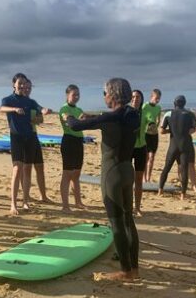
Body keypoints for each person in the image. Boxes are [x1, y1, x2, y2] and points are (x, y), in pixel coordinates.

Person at [66, 78, 140, 281]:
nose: (103, 96)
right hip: (127, 170)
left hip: (112, 174)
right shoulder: (133, 114)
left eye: (104, 93)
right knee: (128, 221)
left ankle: (125, 272)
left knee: (116, 222)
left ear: (113, 95)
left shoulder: (110, 118)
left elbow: (75, 125)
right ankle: (134, 268)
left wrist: (67, 116)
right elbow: (108, 119)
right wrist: (94, 117)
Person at [0, 73, 41, 215]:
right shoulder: (8, 99)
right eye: (19, 83)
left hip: (30, 137)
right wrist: (14, 109)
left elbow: (40, 115)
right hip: (16, 137)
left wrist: (39, 118)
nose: (22, 86)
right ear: (14, 84)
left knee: (27, 169)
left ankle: (26, 202)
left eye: (24, 83)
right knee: (17, 169)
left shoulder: (30, 102)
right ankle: (13, 204)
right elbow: (1, 109)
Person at [158, 95, 196, 199]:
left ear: (174, 103)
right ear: (184, 103)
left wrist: (171, 131)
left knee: (167, 167)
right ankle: (183, 194)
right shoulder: (190, 114)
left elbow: (162, 131)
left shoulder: (168, 114)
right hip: (185, 145)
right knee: (184, 169)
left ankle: (160, 190)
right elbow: (195, 128)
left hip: (173, 145)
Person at [58, 84, 86, 212]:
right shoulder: (64, 109)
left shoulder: (79, 110)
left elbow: (83, 122)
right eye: (74, 94)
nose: (76, 97)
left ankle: (78, 202)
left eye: (78, 95)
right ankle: (65, 205)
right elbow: (71, 123)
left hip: (79, 141)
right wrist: (78, 120)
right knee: (67, 174)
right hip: (68, 141)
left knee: (76, 174)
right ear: (67, 95)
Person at [23, 79, 52, 202]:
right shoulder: (18, 103)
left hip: (34, 136)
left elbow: (40, 119)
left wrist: (38, 117)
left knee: (40, 167)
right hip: (24, 137)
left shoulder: (33, 102)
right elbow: (22, 120)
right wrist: (32, 119)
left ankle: (43, 195)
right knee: (27, 168)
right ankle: (26, 196)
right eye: (26, 87)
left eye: (30, 88)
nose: (28, 90)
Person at [130, 90, 147, 216]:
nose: (135, 99)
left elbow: (152, 124)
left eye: (138, 97)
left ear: (141, 99)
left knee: (139, 179)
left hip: (141, 148)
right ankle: (128, 206)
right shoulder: (126, 112)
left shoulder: (144, 112)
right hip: (128, 148)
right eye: (133, 97)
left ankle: (138, 207)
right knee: (128, 179)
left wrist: (152, 125)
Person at [142, 88, 162, 182]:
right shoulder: (144, 106)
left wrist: (155, 126)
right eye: (156, 98)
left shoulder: (158, 108)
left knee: (152, 157)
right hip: (146, 134)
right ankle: (143, 177)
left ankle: (148, 179)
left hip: (154, 134)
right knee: (145, 157)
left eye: (159, 99)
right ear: (151, 97)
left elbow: (158, 120)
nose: (157, 100)